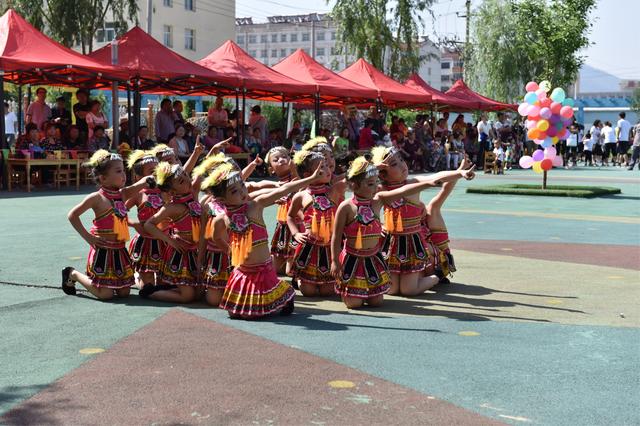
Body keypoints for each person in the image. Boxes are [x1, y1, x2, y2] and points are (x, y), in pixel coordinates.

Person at [203, 160, 327, 319]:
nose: (242, 192)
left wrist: (311, 179)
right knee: (233, 313)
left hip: (262, 268)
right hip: (243, 270)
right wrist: (229, 250)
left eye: (242, 185)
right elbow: (216, 236)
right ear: (221, 199)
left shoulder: (255, 206)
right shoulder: (222, 219)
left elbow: (284, 189)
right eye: (234, 191)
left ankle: (284, 295)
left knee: (250, 315)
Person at [331, 156, 455, 308]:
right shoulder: (346, 207)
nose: (375, 187)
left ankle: (435, 276)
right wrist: (335, 262)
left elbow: (403, 190)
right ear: (354, 186)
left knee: (377, 302)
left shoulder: (378, 200)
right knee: (353, 304)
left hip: (373, 258)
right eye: (370, 184)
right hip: (352, 259)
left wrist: (428, 184)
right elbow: (336, 237)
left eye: (376, 183)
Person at [370, 146, 476, 296]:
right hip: (391, 244)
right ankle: (416, 278)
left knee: (408, 290)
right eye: (394, 164)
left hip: (413, 244)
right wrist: (375, 167)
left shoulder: (413, 182)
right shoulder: (379, 189)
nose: (402, 165)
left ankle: (437, 275)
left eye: (401, 160)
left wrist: (459, 173)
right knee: (391, 290)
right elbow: (356, 179)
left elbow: (437, 176)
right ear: (383, 174)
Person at [61, 150, 134, 299]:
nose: (124, 175)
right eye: (119, 171)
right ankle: (73, 274)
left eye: (124, 170)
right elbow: (72, 215)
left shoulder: (123, 194)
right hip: (102, 250)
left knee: (124, 292)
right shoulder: (96, 198)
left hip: (119, 250)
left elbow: (142, 184)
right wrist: (88, 237)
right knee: (105, 295)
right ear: (103, 178)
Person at [140, 162, 201, 303]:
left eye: (186, 175)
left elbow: (200, 173)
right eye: (181, 181)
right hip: (180, 253)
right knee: (188, 297)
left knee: (198, 295)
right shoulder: (171, 207)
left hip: (195, 251)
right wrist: (169, 240)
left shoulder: (192, 194)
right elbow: (149, 224)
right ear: (172, 192)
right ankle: (151, 292)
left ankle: (164, 287)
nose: (187, 180)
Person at [287, 150, 339, 297]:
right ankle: (298, 280)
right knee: (308, 292)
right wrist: (295, 233)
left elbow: (350, 179)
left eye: (328, 166)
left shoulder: (334, 190)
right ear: (307, 174)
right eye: (321, 167)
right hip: (309, 244)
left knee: (327, 292)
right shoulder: (301, 195)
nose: (328, 170)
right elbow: (290, 216)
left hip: (329, 245)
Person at [122, 150, 163, 289]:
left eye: (158, 169)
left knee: (164, 284)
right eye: (152, 171)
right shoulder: (137, 194)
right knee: (148, 287)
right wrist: (134, 224)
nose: (156, 173)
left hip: (165, 239)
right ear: (139, 176)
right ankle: (138, 276)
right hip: (146, 241)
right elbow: (117, 213)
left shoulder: (167, 190)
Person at [265, 147, 298, 276]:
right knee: (273, 270)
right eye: (276, 159)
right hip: (282, 226)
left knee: (290, 271)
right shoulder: (275, 184)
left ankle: (293, 263)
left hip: (296, 225)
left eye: (285, 156)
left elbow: (296, 177)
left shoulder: (296, 177)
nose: (281, 160)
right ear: (271, 169)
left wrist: (294, 165)